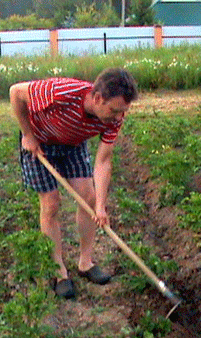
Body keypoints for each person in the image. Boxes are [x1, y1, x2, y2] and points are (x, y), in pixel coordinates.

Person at [9, 68, 138, 299]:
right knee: (51, 204)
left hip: (73, 144)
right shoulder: (61, 92)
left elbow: (104, 160)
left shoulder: (114, 118)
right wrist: (27, 134)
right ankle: (59, 272)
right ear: (98, 98)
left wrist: (100, 205)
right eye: (115, 110)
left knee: (88, 199)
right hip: (40, 142)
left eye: (123, 112)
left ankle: (85, 263)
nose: (119, 118)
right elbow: (16, 92)